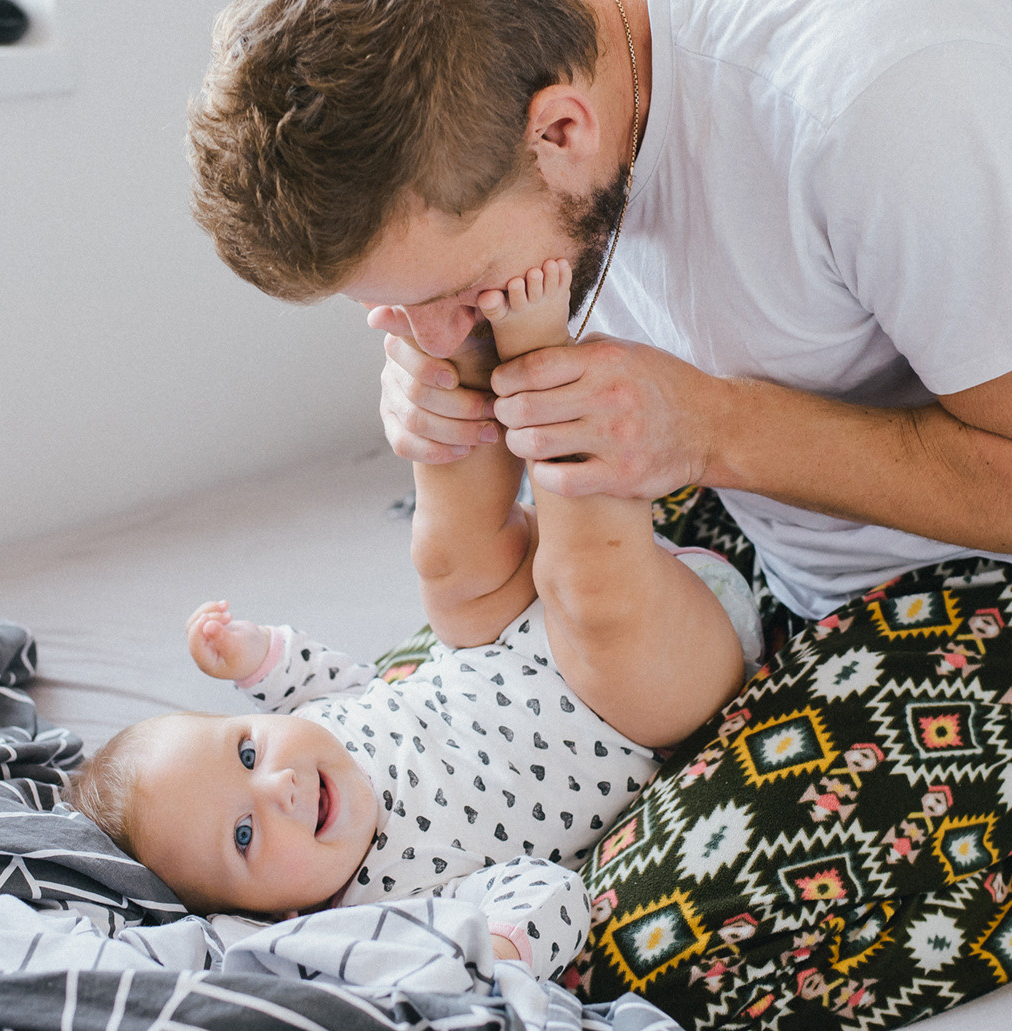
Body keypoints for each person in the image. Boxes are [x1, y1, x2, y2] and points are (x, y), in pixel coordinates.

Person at [185, 0, 1012, 1026]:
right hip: (730, 506)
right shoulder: (454, 18)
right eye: (393, 308)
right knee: (384, 801)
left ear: (560, 130)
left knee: (639, 954)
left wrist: (709, 426)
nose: (444, 322)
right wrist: (427, 381)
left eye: (453, 290)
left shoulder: (874, 89)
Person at [70, 260, 762, 979]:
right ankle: (542, 354)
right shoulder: (385, 910)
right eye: (244, 834)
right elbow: (552, 895)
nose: (278, 786)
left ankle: (456, 353)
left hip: (513, 631)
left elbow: (331, 688)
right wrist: (496, 950)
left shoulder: (319, 740)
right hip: (647, 688)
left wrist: (258, 657)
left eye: (246, 751)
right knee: (585, 586)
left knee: (446, 564)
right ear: (271, 915)